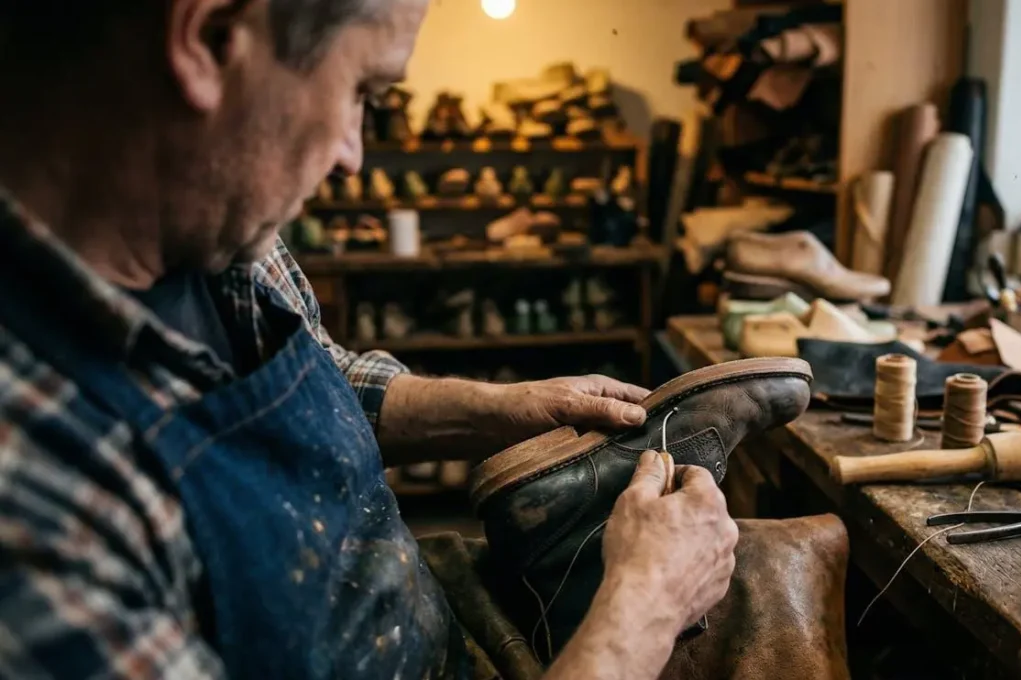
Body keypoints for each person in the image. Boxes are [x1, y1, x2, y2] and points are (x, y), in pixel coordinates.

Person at [0, 1, 738, 678]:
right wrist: (642, 609)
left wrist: (506, 407)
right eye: (362, 92)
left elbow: (322, 378)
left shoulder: (218, 229)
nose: (354, 153)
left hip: (428, 617)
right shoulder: (36, 507)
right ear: (211, 39)